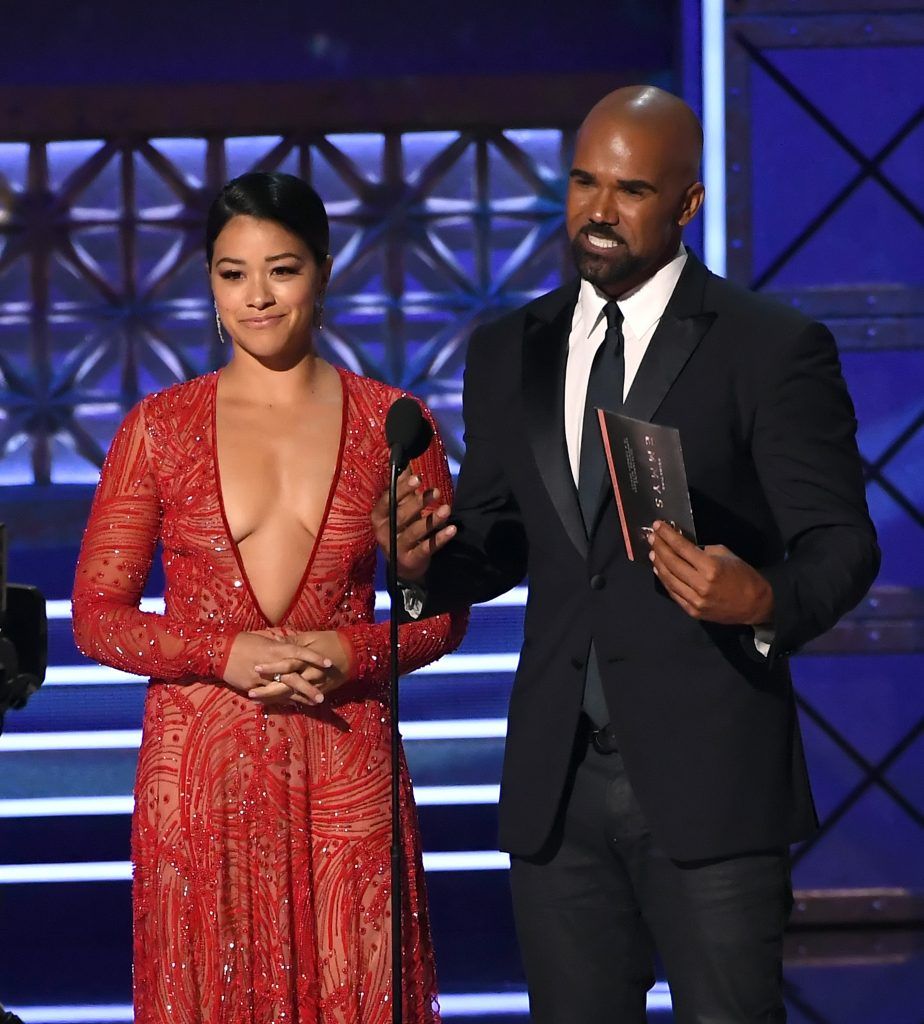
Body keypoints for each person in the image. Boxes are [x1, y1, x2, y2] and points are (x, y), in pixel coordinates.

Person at [373, 86, 880, 1023]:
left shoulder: (769, 347)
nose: (598, 212)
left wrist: (761, 596)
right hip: (556, 793)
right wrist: (420, 568)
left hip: (711, 789)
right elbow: (497, 541)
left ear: (687, 205)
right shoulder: (506, 349)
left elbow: (843, 543)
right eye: (582, 182)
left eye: (632, 189)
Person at [72, 171, 466, 1024]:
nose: (257, 296)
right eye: (232, 272)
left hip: (345, 759)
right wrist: (224, 653)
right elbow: (96, 618)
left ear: (322, 270)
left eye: (281, 270)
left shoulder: (397, 424)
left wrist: (345, 650)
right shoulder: (157, 427)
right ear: (209, 282)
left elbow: (440, 617)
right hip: (200, 775)